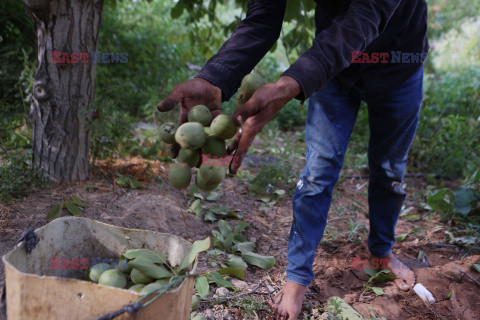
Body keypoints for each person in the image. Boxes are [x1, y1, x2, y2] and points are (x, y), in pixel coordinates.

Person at [158, 0, 428, 318]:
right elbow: (263, 18)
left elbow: (365, 16)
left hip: (398, 65)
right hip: (335, 69)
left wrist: (290, 83)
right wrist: (214, 77)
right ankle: (297, 279)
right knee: (317, 171)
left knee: (389, 171)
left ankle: (381, 253)